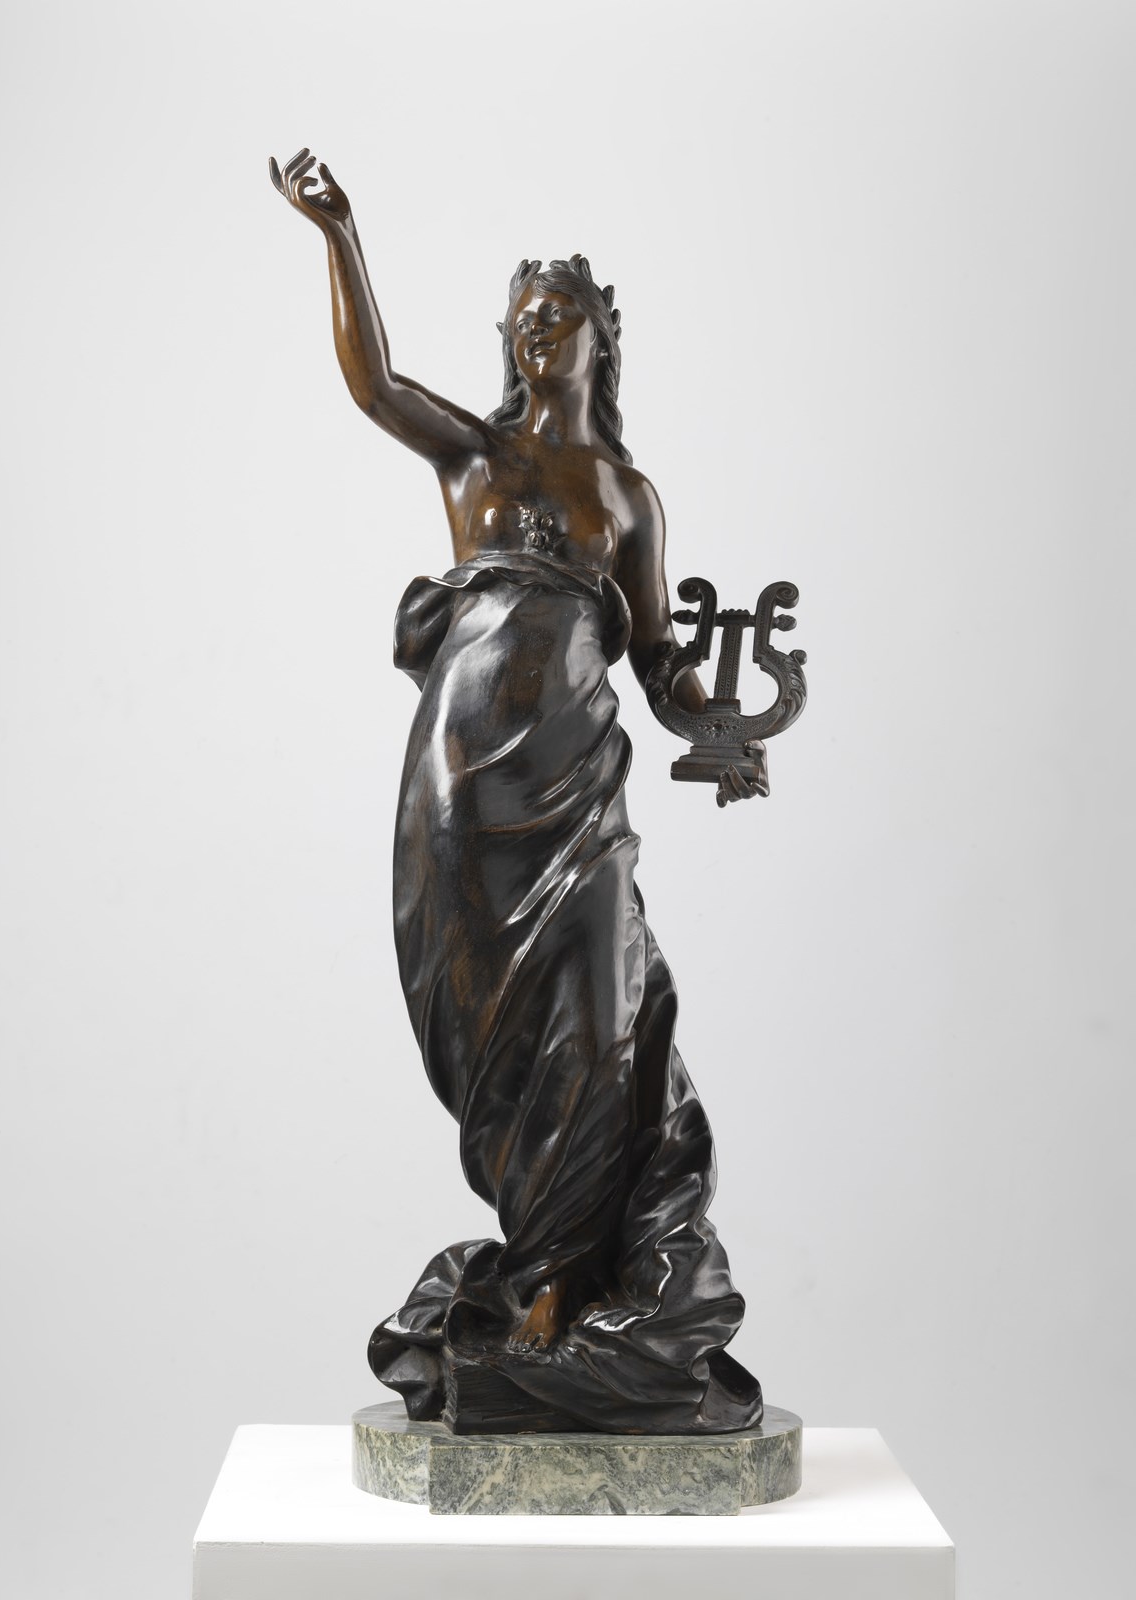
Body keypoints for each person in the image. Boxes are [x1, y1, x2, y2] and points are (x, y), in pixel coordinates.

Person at [272, 150, 765, 1432]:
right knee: (493, 1028)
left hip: (578, 798)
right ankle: (541, 1288)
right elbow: (374, 384)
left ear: (602, 338)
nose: (539, 330)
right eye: (522, 317)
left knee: (601, 1016)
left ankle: (557, 1280)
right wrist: (339, 234)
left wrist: (724, 728)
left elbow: (656, 657)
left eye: (561, 314)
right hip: (461, 790)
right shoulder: (474, 457)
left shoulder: (625, 499)